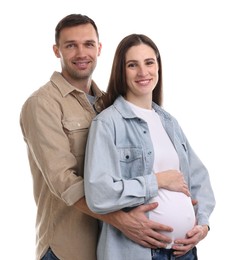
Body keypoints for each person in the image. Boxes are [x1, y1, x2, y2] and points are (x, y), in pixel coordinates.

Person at [20, 15, 175, 260]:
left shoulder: (108, 103)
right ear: (56, 50)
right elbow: (63, 181)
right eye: (71, 45)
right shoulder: (42, 104)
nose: (81, 53)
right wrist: (123, 220)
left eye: (88, 44)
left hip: (114, 246)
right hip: (68, 248)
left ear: (99, 48)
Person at [84, 33, 216, 260]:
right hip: (137, 252)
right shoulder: (107, 123)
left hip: (183, 252)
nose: (143, 72)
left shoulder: (168, 122)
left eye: (149, 62)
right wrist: (159, 181)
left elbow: (199, 179)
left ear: (158, 67)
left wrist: (202, 226)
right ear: (121, 71)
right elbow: (98, 193)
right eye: (132, 65)